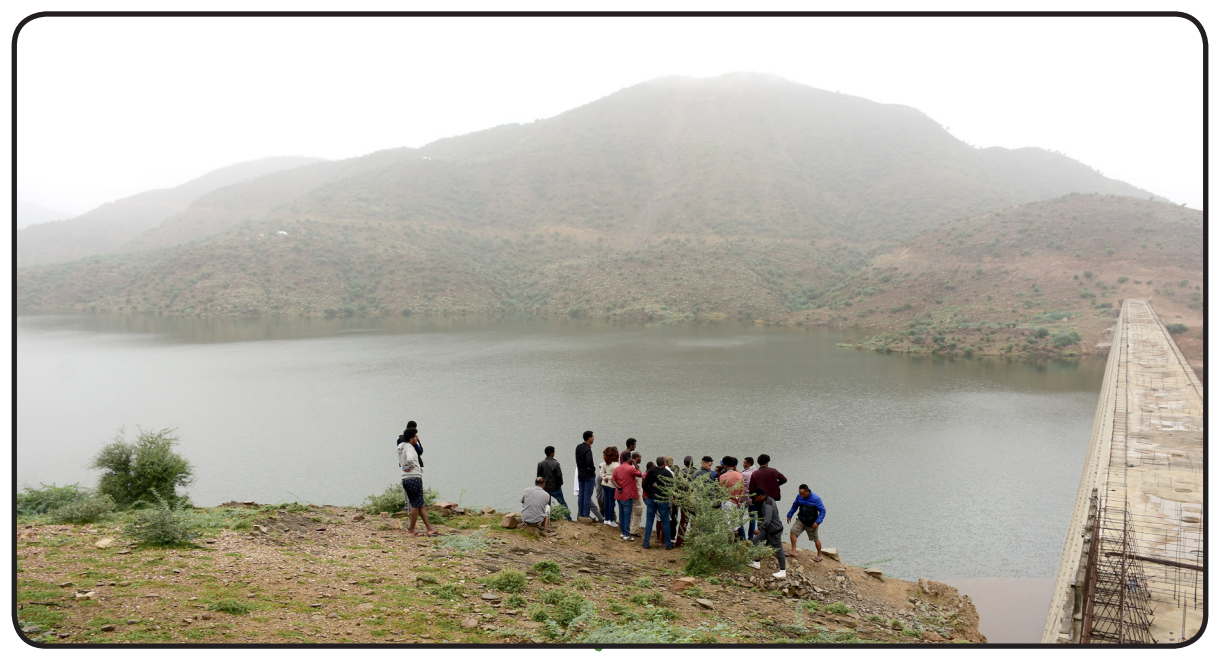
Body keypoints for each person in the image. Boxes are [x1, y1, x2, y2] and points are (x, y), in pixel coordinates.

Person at [398, 429, 437, 536]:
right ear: (411, 439)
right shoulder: (410, 448)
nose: (417, 438)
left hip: (405, 478)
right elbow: (410, 459)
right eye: (416, 437)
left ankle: (430, 529)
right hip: (414, 477)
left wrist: (406, 467)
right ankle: (411, 530)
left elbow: (402, 460)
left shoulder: (401, 446)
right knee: (416, 505)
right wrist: (412, 466)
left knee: (420, 504)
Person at [747, 488, 787, 579]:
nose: (755, 500)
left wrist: (759, 529)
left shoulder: (768, 504)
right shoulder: (767, 500)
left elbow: (767, 520)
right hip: (767, 529)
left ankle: (783, 571)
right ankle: (757, 562)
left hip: (774, 530)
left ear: (761, 496)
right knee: (755, 541)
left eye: (756, 497)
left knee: (778, 549)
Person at [786, 484, 827, 560]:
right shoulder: (799, 497)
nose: (801, 495)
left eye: (803, 494)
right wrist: (789, 515)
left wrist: (817, 522)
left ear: (807, 492)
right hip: (801, 520)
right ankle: (793, 551)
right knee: (793, 532)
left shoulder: (816, 498)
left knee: (815, 539)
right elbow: (795, 506)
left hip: (811, 522)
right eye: (800, 493)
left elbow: (823, 511)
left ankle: (819, 555)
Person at [642, 456, 673, 550]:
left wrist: (649, 492)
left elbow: (644, 484)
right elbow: (672, 486)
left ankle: (646, 543)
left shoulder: (651, 472)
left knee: (649, 520)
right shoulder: (667, 473)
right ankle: (668, 544)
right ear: (664, 463)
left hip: (652, 498)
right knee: (665, 522)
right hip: (663, 499)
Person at [536, 446, 572, 522]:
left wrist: (541, 487)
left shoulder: (540, 464)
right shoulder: (556, 463)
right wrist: (560, 484)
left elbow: (539, 477)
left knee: (547, 505)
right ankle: (569, 519)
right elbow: (559, 476)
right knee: (562, 503)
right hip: (555, 488)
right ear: (552, 453)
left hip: (545, 488)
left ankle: (546, 520)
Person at [612, 452, 643, 541]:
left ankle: (623, 532)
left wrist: (618, 487)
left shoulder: (618, 468)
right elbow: (640, 474)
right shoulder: (630, 468)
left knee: (621, 514)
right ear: (629, 459)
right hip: (627, 495)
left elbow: (613, 480)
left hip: (619, 495)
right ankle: (626, 534)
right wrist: (635, 464)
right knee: (627, 515)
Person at [574, 431, 600, 522]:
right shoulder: (588, 449)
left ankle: (581, 514)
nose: (593, 439)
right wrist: (593, 470)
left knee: (581, 494)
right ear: (589, 438)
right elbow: (589, 462)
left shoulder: (578, 447)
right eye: (593, 437)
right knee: (587, 496)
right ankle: (586, 515)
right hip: (588, 475)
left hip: (580, 474)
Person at [719, 456, 747, 540]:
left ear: (725, 465)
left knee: (728, 523)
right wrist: (739, 500)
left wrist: (732, 497)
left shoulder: (723, 476)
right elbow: (743, 490)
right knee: (736, 523)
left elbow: (723, 492)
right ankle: (736, 541)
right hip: (738, 502)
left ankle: (730, 542)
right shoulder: (740, 475)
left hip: (728, 502)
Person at [598, 446, 620, 528]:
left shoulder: (604, 464)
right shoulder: (616, 465)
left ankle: (606, 519)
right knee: (612, 503)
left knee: (606, 502)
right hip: (612, 485)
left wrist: (605, 477)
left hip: (604, 483)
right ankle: (611, 520)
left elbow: (602, 473)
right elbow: (618, 476)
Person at [741, 456, 757, 540]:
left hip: (744, 499)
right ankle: (751, 538)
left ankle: (742, 537)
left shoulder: (744, 474)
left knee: (739, 517)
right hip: (754, 499)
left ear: (749, 464)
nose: (743, 464)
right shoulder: (756, 472)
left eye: (744, 463)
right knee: (752, 519)